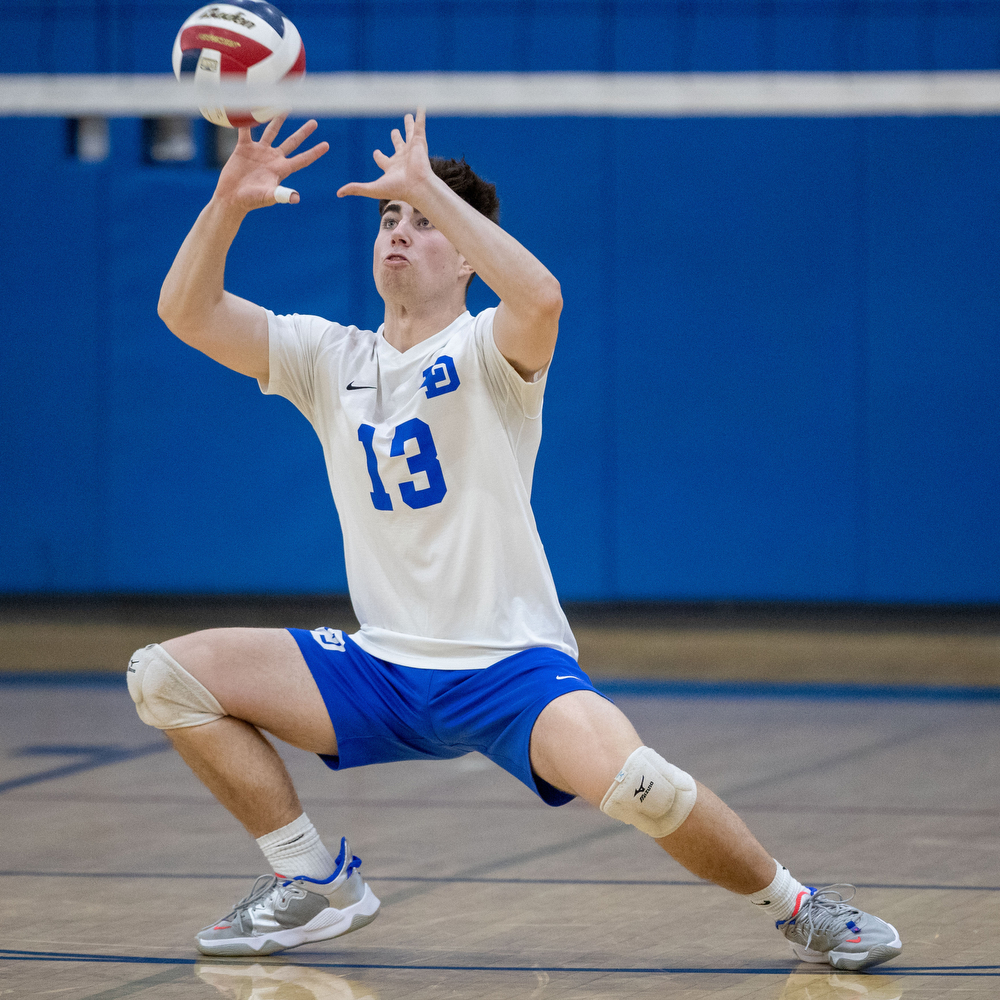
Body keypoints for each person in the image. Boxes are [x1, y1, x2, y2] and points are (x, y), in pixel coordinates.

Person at [135, 110, 902, 971]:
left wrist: (428, 187)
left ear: (467, 254)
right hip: (382, 665)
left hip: (507, 665)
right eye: (390, 218)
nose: (399, 231)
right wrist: (227, 203)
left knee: (645, 788)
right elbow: (186, 311)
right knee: (167, 675)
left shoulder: (486, 349)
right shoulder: (327, 356)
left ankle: (800, 908)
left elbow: (540, 298)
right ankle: (313, 880)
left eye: (422, 223)